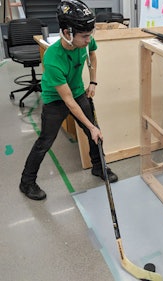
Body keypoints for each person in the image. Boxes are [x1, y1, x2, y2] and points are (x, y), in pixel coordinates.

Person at [19, 0, 118, 201]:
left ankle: (98, 167)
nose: (88, 39)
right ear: (67, 33)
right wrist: (91, 126)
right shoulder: (53, 58)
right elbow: (68, 102)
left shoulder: (85, 39)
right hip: (56, 99)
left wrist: (93, 82)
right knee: (45, 141)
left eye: (90, 35)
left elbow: (93, 54)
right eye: (84, 36)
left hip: (78, 91)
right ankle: (26, 182)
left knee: (94, 134)